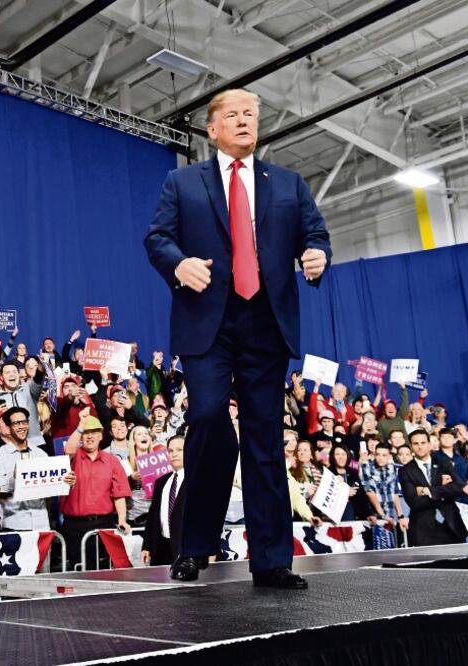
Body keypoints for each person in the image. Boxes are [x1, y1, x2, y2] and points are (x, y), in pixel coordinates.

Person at [144, 88, 331, 589]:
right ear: (212, 128)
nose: (246, 120)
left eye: (252, 112)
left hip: (266, 322)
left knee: (265, 435)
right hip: (208, 320)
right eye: (234, 114)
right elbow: (157, 239)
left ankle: (271, 560)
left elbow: (315, 235)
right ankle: (195, 545)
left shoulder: (289, 183)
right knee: (207, 417)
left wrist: (317, 256)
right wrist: (179, 264)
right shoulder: (182, 181)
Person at [61, 416, 131, 570]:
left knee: (103, 568)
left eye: (94, 432)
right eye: (86, 433)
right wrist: (80, 426)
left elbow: (119, 494)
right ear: (81, 436)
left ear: (101, 435)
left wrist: (122, 519)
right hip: (74, 525)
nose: (90, 436)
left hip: (103, 523)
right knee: (77, 569)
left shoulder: (112, 461)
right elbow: (68, 449)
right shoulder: (73, 457)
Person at [0, 407, 74, 531]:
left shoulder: (41, 454)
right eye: (17, 423)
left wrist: (67, 482)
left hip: (41, 524)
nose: (22, 426)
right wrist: (14, 478)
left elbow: (51, 488)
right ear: (8, 428)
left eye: (24, 422)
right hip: (14, 524)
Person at [399, 429, 468, 546]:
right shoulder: (405, 471)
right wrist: (444, 490)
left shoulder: (444, 463)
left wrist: (429, 491)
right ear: (410, 446)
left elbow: (459, 487)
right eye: (416, 444)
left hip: (452, 525)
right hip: (423, 530)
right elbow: (414, 502)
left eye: (423, 443)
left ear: (429, 444)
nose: (420, 447)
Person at [141, 436, 186, 566]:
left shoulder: (197, 480)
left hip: (187, 549)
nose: (174, 454)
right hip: (161, 548)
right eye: (170, 451)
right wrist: (147, 546)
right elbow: (153, 515)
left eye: (179, 450)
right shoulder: (161, 482)